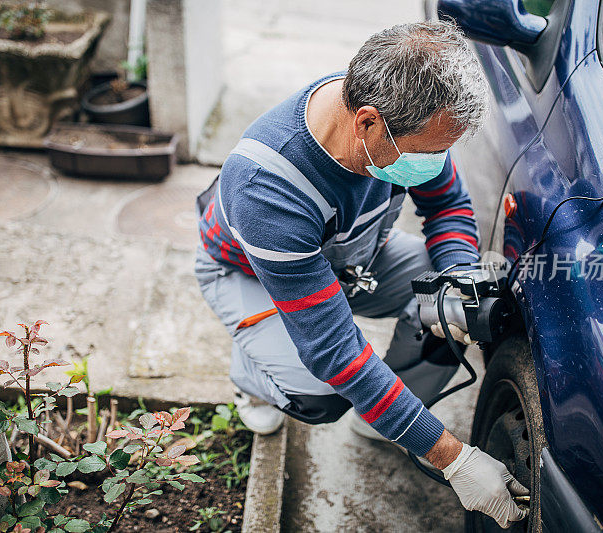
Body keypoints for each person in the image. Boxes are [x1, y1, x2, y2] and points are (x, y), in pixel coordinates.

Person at [195, 20, 528, 528]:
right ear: (368, 124)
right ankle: (251, 375)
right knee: (323, 389)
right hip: (253, 276)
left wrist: (458, 283)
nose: (436, 163)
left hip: (356, 260)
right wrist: (452, 457)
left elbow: (449, 206)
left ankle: (393, 417)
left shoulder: (404, 113)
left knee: (466, 303)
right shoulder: (267, 186)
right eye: (428, 152)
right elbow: (335, 351)